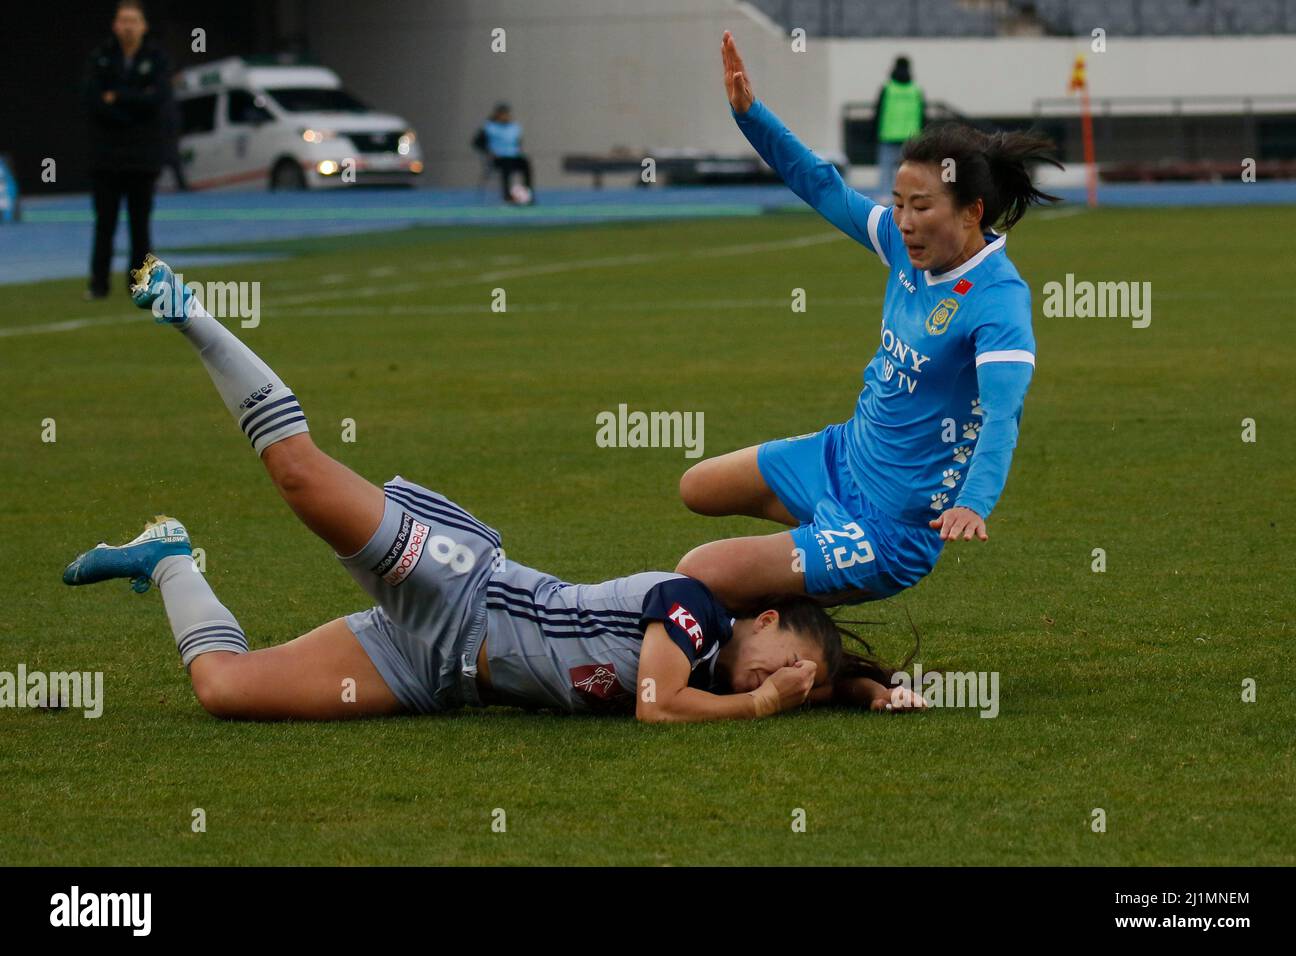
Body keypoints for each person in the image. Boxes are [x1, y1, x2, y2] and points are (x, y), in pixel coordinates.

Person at [62, 256, 926, 722]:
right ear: (763, 619)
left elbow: (796, 679)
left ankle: (170, 558)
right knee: (298, 472)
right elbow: (661, 709)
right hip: (459, 584)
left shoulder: (737, 665)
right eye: (789, 670)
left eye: (798, 689)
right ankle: (191, 310)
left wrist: (863, 688)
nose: (782, 687)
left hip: (432, 671)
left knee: (224, 691)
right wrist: (766, 704)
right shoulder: (693, 609)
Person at [675, 32, 1061, 609]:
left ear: (972, 212)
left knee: (699, 572)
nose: (903, 221)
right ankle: (801, 574)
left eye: (922, 207)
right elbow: (823, 186)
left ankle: (815, 644)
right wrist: (751, 116)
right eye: (898, 202)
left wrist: (974, 502)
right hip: (842, 459)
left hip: (892, 531)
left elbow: (1003, 416)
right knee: (697, 488)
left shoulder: (999, 300)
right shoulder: (904, 246)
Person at [83, 0, 172, 299]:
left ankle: (141, 285)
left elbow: (156, 100)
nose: (128, 26)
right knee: (104, 224)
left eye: (134, 20)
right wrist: (134, 102)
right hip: (106, 158)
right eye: (123, 20)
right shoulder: (101, 57)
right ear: (115, 24)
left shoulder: (156, 58)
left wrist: (118, 97)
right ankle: (98, 286)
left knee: (140, 226)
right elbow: (93, 101)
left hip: (142, 158)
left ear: (143, 26)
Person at [874, 56, 925, 202]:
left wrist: (875, 132)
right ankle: (910, 196)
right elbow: (922, 115)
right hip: (910, 137)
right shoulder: (915, 90)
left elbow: (878, 112)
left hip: (888, 135)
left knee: (886, 171)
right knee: (909, 170)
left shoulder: (887, 88)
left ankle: (885, 198)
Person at [473, 102, 535, 204]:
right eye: (503, 114)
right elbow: (477, 143)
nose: (505, 116)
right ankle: (507, 196)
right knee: (507, 166)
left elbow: (518, 143)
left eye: (506, 113)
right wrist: (489, 151)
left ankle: (527, 194)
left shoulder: (514, 127)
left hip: (513, 157)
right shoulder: (489, 127)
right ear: (497, 115)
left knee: (525, 163)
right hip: (498, 158)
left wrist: (518, 151)